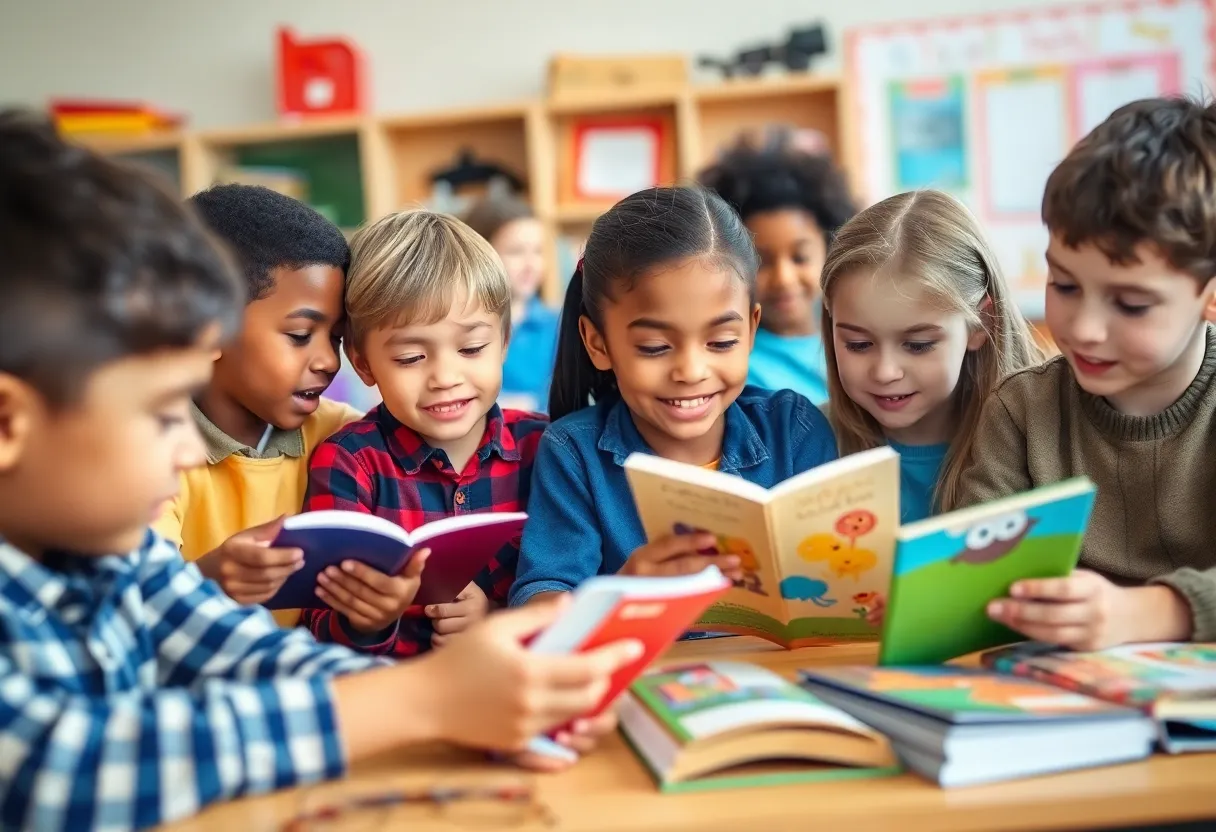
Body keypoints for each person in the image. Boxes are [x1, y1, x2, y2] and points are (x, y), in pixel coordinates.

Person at [0, 111, 642, 829]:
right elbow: (63, 769)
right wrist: (426, 700)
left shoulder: (113, 560)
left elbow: (244, 651)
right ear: (8, 424)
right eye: (160, 413)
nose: (188, 449)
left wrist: (482, 697)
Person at [957, 97, 1216, 651]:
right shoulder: (1021, 410)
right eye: (1065, 286)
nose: (1085, 327)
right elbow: (973, 580)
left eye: (1131, 304)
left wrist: (1151, 612)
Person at [508, 186, 838, 606]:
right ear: (598, 343)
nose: (691, 372)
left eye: (721, 342)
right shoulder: (574, 454)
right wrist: (619, 594)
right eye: (655, 347)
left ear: (751, 330)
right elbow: (539, 597)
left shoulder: (793, 430)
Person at [301, 209, 548, 655]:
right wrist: (368, 619)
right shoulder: (348, 462)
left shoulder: (545, 447)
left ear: (504, 341)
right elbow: (317, 625)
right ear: (363, 363)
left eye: (471, 348)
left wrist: (499, 619)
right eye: (412, 357)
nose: (445, 377)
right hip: (396, 702)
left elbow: (578, 591)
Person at [153, 184, 360, 625]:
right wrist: (208, 580)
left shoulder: (348, 438)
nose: (328, 361)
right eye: (300, 335)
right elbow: (137, 607)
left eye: (336, 338)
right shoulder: (154, 450)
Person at [820, 190, 1043, 524]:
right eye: (858, 344)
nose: (885, 372)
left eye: (918, 344)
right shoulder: (808, 439)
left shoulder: (1038, 437)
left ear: (981, 324)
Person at [698, 129, 856, 404]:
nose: (784, 279)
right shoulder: (737, 365)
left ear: (831, 249)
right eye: (762, 262)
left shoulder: (857, 334)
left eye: (800, 258)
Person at [464, 195, 560, 411]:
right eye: (516, 252)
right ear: (479, 256)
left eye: (538, 251)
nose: (531, 265)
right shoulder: (457, 325)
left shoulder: (559, 325)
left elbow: (566, 399)